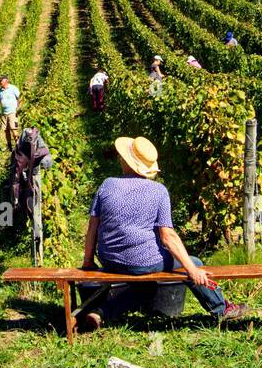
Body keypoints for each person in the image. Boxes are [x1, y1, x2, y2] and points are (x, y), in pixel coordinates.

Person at [79, 137, 247, 330]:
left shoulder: (107, 185)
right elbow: (168, 237)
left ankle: (100, 313)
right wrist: (192, 270)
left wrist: (88, 262)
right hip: (144, 263)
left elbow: (92, 227)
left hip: (110, 261)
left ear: (126, 161)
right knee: (195, 263)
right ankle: (222, 310)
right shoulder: (158, 191)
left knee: (146, 288)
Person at [0, 75, 22, 152]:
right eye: (0, 81)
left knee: (14, 129)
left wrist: (18, 107)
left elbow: (20, 97)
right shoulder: (0, 90)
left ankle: (18, 146)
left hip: (12, 112)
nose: (0, 82)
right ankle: (9, 146)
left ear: (6, 81)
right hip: (4, 113)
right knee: (6, 130)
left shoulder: (13, 88)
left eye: (1, 81)